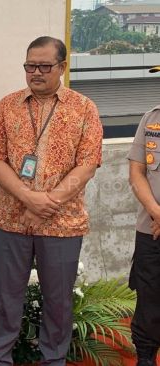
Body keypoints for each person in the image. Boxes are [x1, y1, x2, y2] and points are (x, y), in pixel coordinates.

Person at [0, 36, 103, 365]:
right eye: (29, 66)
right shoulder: (7, 105)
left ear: (62, 67)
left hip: (62, 223)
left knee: (58, 301)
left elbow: (88, 162)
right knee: (5, 298)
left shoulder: (84, 108)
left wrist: (48, 202)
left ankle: (53, 360)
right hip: (12, 220)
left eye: (44, 66)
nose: (35, 72)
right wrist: (28, 198)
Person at [126, 64, 160, 366]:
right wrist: (155, 211)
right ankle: (146, 357)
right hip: (151, 228)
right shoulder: (150, 119)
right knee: (148, 298)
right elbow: (137, 173)